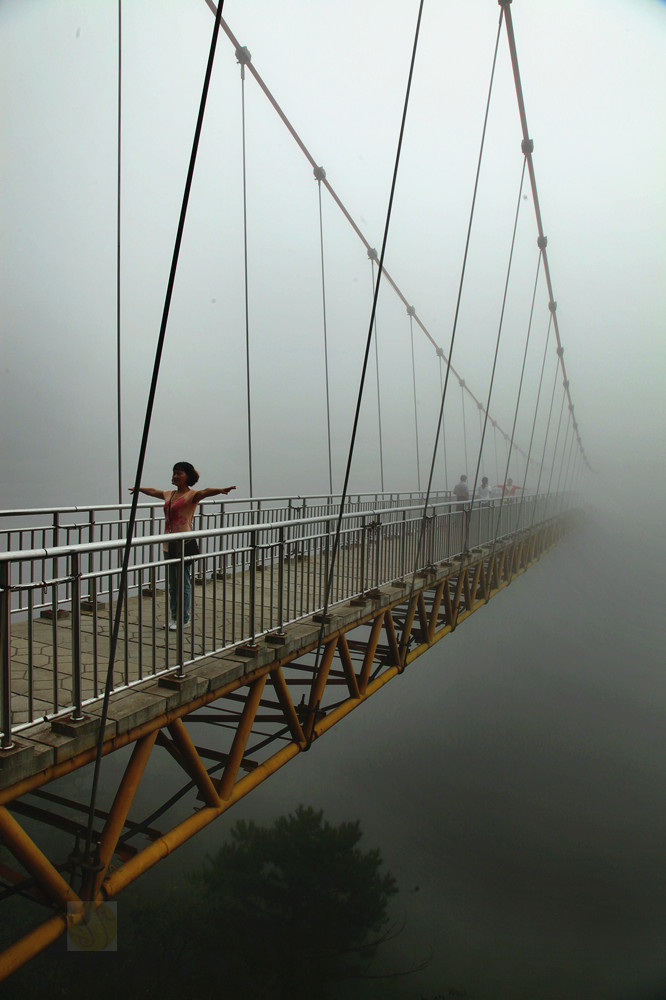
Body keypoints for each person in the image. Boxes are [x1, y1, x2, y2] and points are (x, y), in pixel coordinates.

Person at [130, 462, 236, 630]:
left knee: (183, 582)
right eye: (174, 473)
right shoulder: (169, 494)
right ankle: (174, 617)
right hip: (169, 544)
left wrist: (219, 490)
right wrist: (140, 489)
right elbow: (154, 492)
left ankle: (184, 618)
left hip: (184, 543)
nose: (175, 476)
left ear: (188, 476)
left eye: (179, 473)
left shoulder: (192, 495)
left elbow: (205, 491)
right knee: (173, 584)